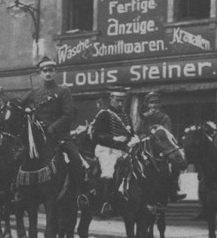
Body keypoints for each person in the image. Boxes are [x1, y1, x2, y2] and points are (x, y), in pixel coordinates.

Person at [22, 56, 89, 207]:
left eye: (51, 71)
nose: (48, 74)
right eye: (45, 71)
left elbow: (68, 115)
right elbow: (20, 106)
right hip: (38, 137)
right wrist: (24, 109)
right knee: (20, 158)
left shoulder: (63, 91)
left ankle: (79, 194)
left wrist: (53, 128)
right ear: (40, 73)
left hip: (59, 136)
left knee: (77, 160)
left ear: (55, 72)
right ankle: (19, 192)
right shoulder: (34, 93)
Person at [92, 86, 135, 217]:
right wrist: (113, 138)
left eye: (123, 100)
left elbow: (131, 133)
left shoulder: (126, 116)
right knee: (108, 172)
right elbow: (96, 135)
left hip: (122, 150)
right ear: (111, 99)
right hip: (106, 149)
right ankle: (105, 204)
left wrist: (133, 139)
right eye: (118, 100)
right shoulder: (104, 114)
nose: (120, 103)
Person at [139, 91, 186, 201]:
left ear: (159, 104)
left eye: (156, 102)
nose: (154, 105)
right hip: (145, 146)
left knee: (173, 164)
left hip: (161, 145)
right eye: (151, 103)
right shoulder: (143, 117)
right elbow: (138, 130)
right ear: (147, 105)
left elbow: (167, 133)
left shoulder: (164, 117)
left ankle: (173, 190)